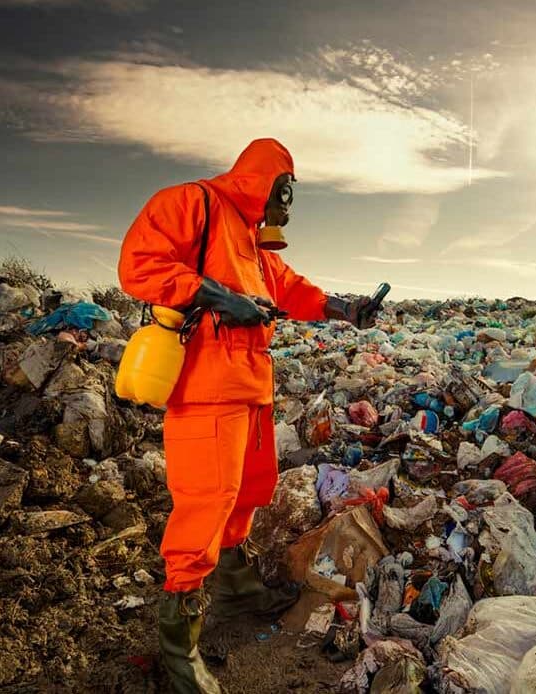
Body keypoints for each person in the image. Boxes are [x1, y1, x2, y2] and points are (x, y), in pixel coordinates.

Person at [118, 138, 380, 693]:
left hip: (252, 387)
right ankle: (178, 646)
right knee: (206, 499)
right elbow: (139, 264)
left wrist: (345, 309)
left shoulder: (255, 245)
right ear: (269, 185)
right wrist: (213, 295)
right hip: (205, 386)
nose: (287, 209)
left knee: (251, 488)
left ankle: (234, 583)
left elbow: (290, 289)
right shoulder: (195, 204)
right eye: (286, 196)